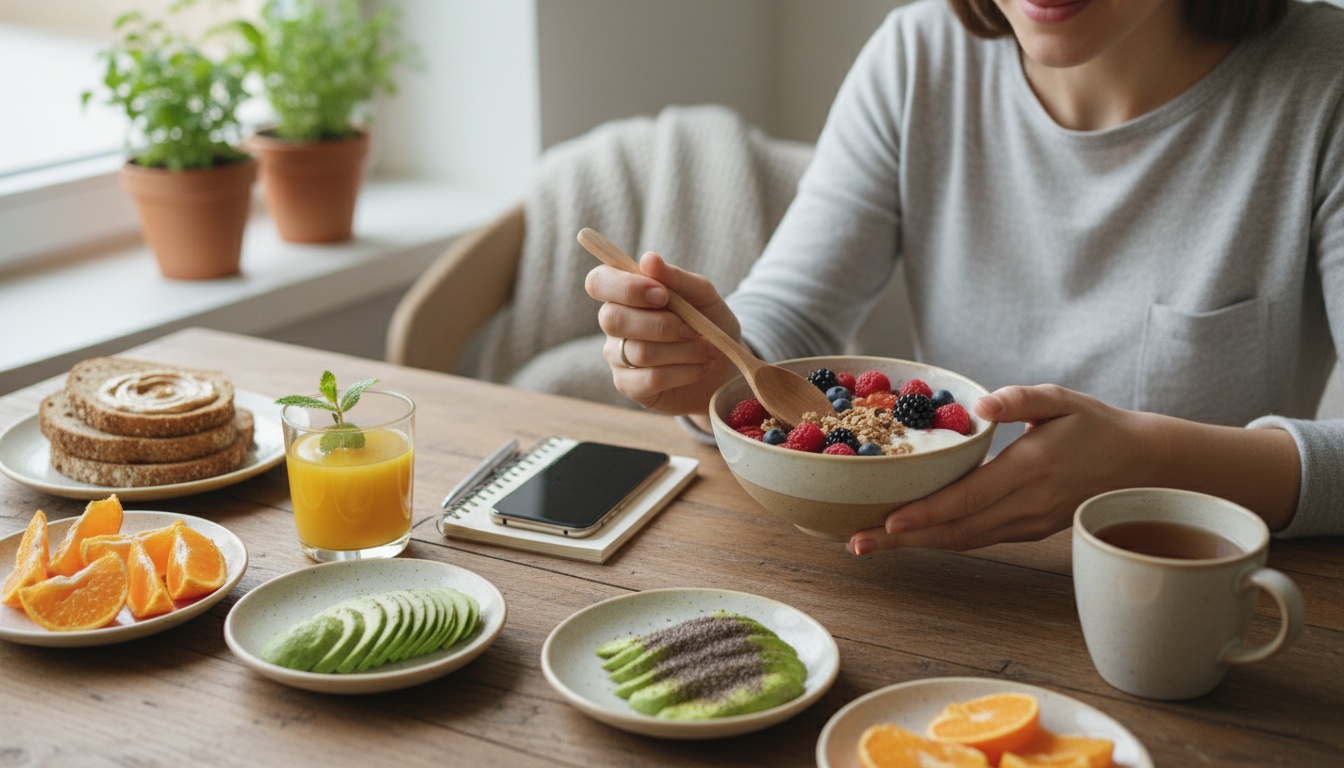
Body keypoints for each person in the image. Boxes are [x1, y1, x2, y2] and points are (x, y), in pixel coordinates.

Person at [584, 0, 1344, 554]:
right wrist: (713, 364)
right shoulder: (918, 57)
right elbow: (794, 313)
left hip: (1188, 603)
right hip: (932, 586)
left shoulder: (1323, 84)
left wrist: (1151, 463)